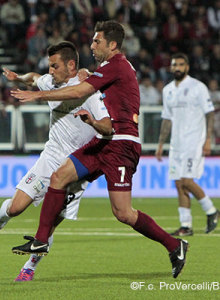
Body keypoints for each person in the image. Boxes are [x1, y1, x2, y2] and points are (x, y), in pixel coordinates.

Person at [10, 20, 188, 279]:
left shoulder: (117, 66)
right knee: (59, 176)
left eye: (97, 41)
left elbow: (80, 90)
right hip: (105, 140)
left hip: (123, 143)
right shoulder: (106, 68)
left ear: (112, 44)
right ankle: (40, 240)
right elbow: (84, 82)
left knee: (123, 213)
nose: (92, 45)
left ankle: (175, 245)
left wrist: (38, 96)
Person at [0, 41, 111, 281]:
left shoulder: (87, 90)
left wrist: (91, 122)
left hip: (75, 168)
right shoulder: (51, 82)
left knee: (49, 223)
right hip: (50, 159)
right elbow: (34, 78)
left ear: (71, 65)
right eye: (49, 65)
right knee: (16, 207)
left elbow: (107, 127)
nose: (50, 71)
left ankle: (29, 267)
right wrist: (18, 78)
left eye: (54, 66)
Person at [155, 53, 219, 236]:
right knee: (178, 183)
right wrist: (161, 144)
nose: (178, 67)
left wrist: (208, 139)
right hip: (176, 143)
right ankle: (186, 225)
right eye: (175, 64)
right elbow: (166, 119)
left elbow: (210, 114)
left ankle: (211, 211)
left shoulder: (198, 87)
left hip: (194, 140)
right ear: (171, 67)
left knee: (187, 181)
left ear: (187, 67)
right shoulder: (167, 90)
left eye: (181, 64)